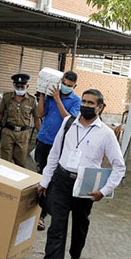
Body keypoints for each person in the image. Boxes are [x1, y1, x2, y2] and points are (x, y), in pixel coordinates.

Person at [32, 89, 126, 259]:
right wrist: (45, 181)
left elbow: (119, 167)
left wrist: (105, 189)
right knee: (56, 228)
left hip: (86, 186)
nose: (86, 105)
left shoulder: (106, 134)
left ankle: (75, 255)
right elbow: (54, 155)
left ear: (100, 107)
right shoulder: (68, 125)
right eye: (83, 101)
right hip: (62, 181)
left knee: (80, 224)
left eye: (91, 103)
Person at [34, 70, 81, 230]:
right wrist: (41, 95)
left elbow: (69, 119)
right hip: (43, 140)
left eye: (70, 86)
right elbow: (39, 114)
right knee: (39, 176)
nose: (66, 87)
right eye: (64, 84)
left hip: (59, 145)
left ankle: (42, 215)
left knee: (52, 180)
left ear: (75, 86)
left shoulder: (76, 101)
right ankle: (33, 211)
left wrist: (57, 99)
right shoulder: (50, 94)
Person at [0, 73, 39, 168]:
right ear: (14, 85)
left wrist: (40, 137)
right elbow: (0, 114)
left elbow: (37, 119)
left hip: (23, 134)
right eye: (17, 87)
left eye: (22, 87)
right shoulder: (7, 97)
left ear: (27, 86)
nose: (20, 89)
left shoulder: (32, 100)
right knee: (5, 163)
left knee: (20, 164)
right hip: (8, 132)